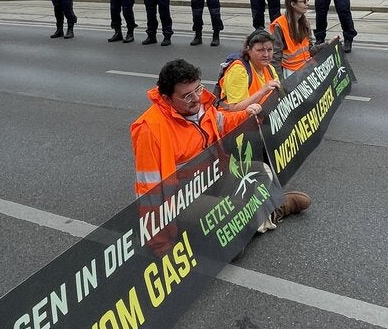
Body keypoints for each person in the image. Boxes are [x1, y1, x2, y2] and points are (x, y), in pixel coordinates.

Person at [130, 60, 309, 242]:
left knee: (262, 172)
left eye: (198, 89)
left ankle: (254, 215)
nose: (196, 98)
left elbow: (222, 121)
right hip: (183, 199)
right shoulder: (150, 129)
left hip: (215, 177)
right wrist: (158, 241)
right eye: (187, 96)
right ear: (167, 99)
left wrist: (246, 114)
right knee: (232, 234)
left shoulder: (201, 105)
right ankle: (272, 210)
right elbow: (148, 188)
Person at [217, 29, 282, 110]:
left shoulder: (270, 68)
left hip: (257, 118)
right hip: (234, 120)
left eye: (269, 50)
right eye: (260, 50)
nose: (266, 55)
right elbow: (233, 109)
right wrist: (262, 92)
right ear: (248, 50)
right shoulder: (239, 70)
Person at [270, 0, 313, 75]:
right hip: (291, 73)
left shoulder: (305, 23)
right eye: (304, 1)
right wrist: (279, 81)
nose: (307, 4)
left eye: (307, 0)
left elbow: (310, 49)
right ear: (293, 4)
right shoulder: (280, 25)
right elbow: (276, 57)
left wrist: (328, 44)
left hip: (306, 68)